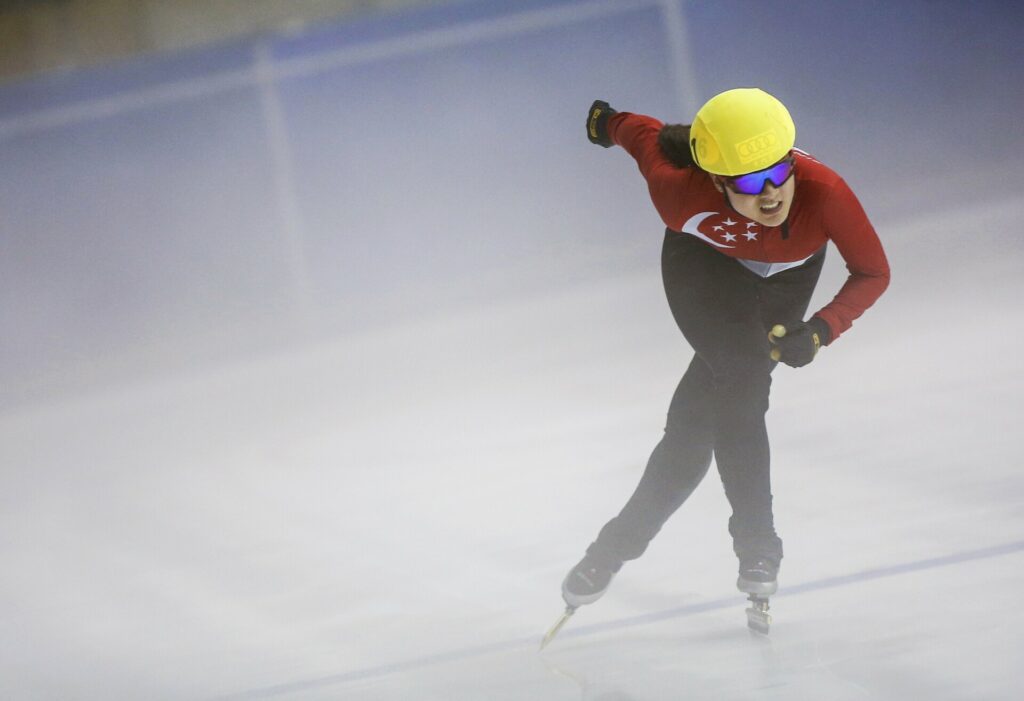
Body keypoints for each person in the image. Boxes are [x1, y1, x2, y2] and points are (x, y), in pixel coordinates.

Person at [563, 88, 890, 608]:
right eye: (749, 181)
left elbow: (873, 272)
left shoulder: (825, 193)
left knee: (693, 430)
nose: (770, 193)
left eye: (779, 172)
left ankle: (611, 548)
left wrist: (823, 329)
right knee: (742, 378)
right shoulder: (678, 191)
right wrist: (609, 122)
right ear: (716, 180)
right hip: (703, 267)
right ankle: (759, 546)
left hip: (784, 275)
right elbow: (646, 138)